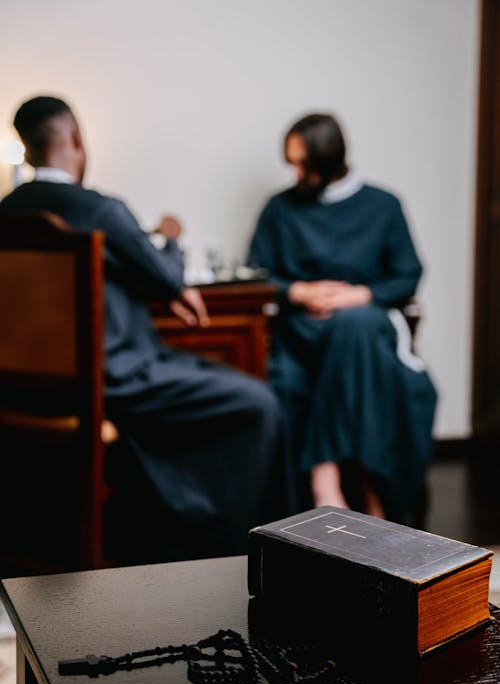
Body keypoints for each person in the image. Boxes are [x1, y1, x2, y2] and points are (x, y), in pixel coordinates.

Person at [0, 95, 296, 560]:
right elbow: (165, 276)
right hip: (113, 380)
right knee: (258, 402)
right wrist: (171, 237)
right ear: (75, 138)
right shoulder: (99, 210)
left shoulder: (8, 213)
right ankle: (257, 550)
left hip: (27, 393)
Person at [248, 112, 437, 526]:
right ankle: (370, 493)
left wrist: (358, 295)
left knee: (355, 324)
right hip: (303, 330)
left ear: (330, 160)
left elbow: (408, 273)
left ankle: (325, 474)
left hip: (363, 324)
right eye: (291, 162)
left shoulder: (383, 205)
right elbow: (256, 273)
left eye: (303, 164)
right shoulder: (280, 209)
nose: (295, 172)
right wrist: (300, 291)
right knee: (341, 337)